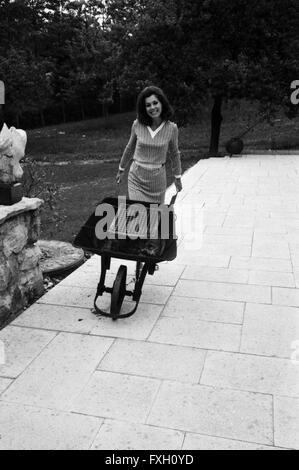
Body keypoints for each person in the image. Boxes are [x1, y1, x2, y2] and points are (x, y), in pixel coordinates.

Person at [116, 86, 182, 203]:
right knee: (140, 215)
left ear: (162, 103)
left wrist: (177, 177)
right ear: (144, 108)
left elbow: (174, 154)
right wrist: (121, 169)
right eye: (148, 105)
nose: (152, 107)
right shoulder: (137, 124)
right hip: (136, 178)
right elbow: (130, 148)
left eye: (155, 103)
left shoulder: (172, 128)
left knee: (154, 219)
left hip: (158, 182)